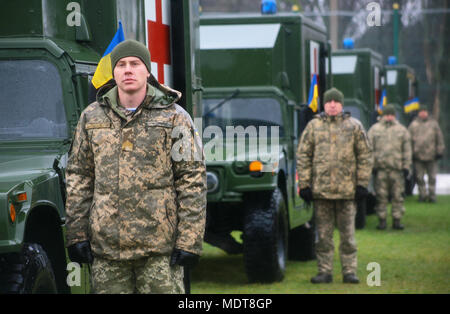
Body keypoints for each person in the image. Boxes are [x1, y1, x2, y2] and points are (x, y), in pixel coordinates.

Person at [65, 39, 207, 294]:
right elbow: (79, 177)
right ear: (114, 72)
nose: (128, 70)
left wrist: (190, 241)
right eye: (121, 64)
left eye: (135, 63)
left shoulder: (175, 116)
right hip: (107, 250)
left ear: (147, 71)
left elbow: (192, 179)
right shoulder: (92, 117)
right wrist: (76, 235)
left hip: (159, 251)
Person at [296, 88, 372, 284]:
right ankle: (324, 271)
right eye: (328, 101)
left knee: (348, 237)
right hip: (321, 193)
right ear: (324, 104)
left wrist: (362, 184)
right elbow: (303, 155)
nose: (332, 105)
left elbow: (365, 156)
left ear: (341, 104)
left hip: (347, 192)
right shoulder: (313, 126)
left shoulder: (354, 126)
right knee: (323, 237)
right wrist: (304, 184)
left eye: (335, 102)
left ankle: (349, 271)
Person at [368, 104, 412, 230]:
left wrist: (406, 166)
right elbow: (369, 149)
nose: (389, 117)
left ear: (394, 116)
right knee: (381, 197)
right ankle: (382, 221)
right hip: (381, 170)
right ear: (383, 116)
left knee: (398, 196)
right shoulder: (374, 130)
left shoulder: (402, 130)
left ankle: (397, 221)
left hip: (397, 170)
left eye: (391, 115)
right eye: (387, 115)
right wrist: (372, 166)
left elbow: (407, 150)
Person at [408, 106, 445, 203]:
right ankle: (422, 196)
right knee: (419, 178)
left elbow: (439, 138)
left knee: (432, 178)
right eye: (421, 111)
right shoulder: (413, 125)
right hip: (417, 156)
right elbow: (408, 140)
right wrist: (410, 153)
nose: (423, 113)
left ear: (427, 112)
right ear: (419, 113)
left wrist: (439, 151)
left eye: (424, 111)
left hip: (432, 156)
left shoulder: (434, 124)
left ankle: (432, 196)